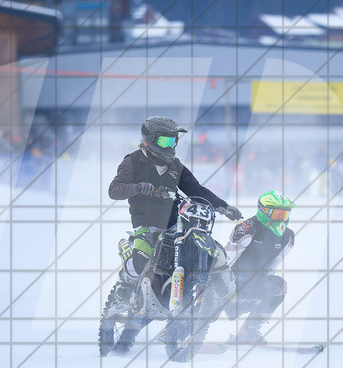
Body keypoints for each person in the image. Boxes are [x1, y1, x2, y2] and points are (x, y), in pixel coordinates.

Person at [107, 116, 242, 308]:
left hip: (178, 224)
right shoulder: (133, 162)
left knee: (215, 252)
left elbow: (197, 191)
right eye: (165, 140)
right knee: (142, 260)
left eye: (173, 140)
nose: (171, 145)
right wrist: (138, 187)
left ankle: (229, 303)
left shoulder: (175, 166)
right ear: (150, 139)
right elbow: (114, 190)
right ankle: (125, 287)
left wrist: (223, 206)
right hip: (148, 224)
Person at [223, 190, 296, 345]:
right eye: (277, 214)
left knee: (279, 286)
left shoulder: (288, 236)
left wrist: (265, 290)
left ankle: (248, 331)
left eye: (284, 215)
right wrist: (221, 288)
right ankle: (181, 327)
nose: (281, 219)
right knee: (208, 300)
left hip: (255, 282)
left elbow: (274, 264)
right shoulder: (248, 228)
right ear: (263, 211)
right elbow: (227, 258)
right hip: (232, 282)